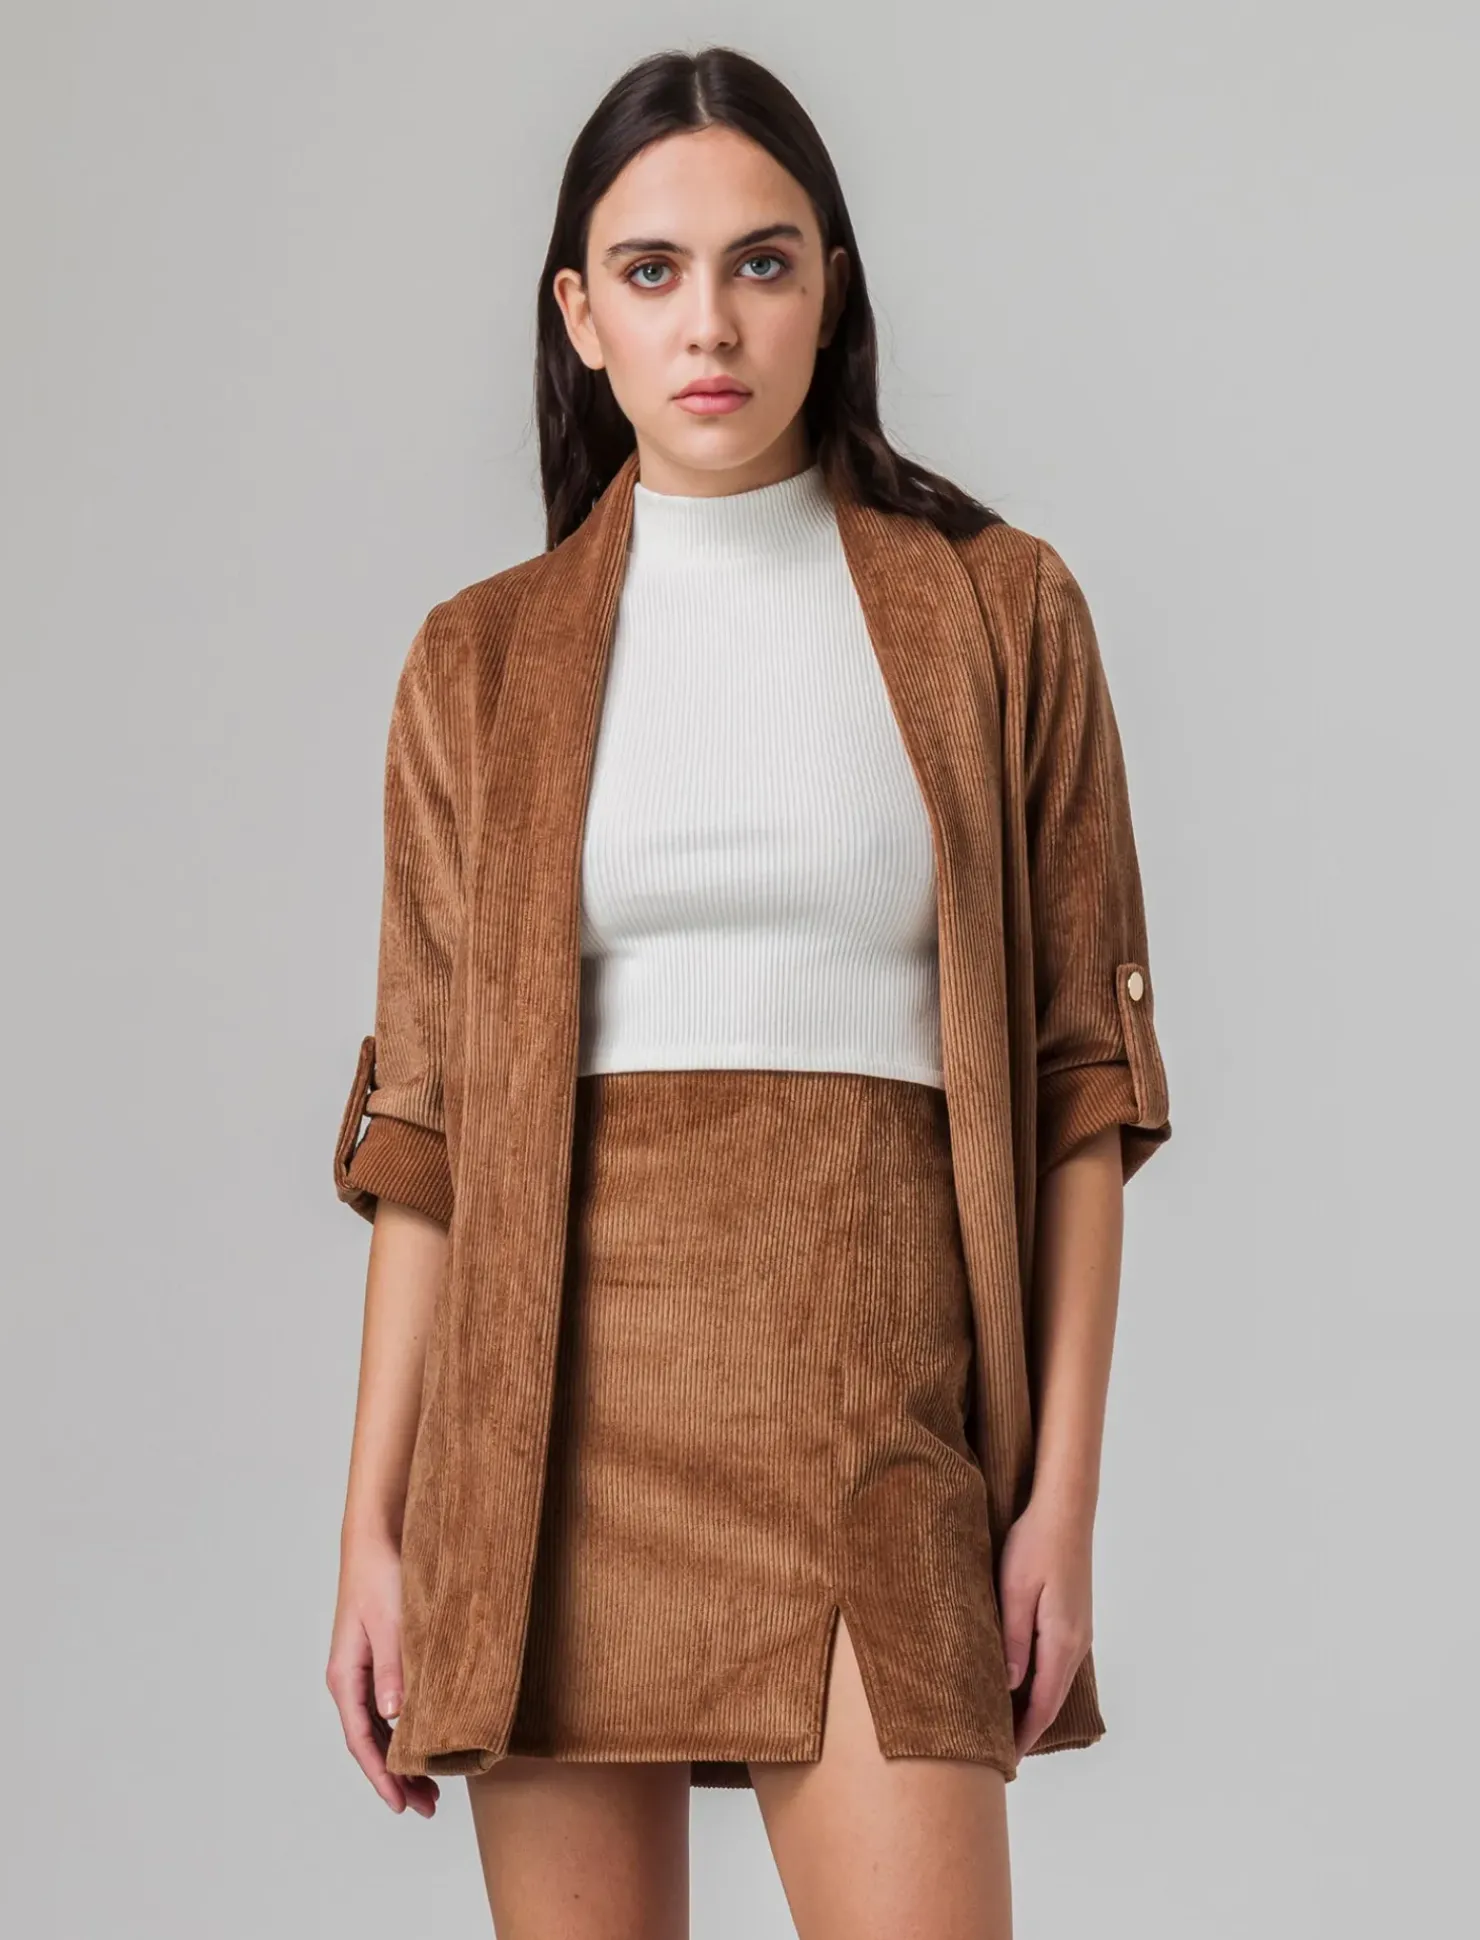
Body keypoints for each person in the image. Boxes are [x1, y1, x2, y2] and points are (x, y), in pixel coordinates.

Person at [325, 43, 1172, 1940]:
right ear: (581, 318)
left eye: (761, 263)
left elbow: (1084, 1092)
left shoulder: (999, 614)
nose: (709, 322)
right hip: (543, 1461)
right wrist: (373, 1530)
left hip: (875, 1429)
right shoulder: (478, 667)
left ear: (832, 289)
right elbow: (427, 1140)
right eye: (652, 271)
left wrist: (1059, 1506)